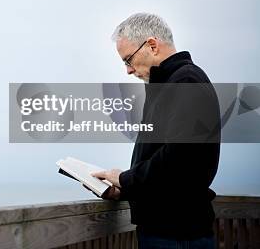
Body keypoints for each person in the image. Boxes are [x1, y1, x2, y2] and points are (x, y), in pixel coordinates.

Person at [91, 13, 220, 249]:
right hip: (169, 232)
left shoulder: (186, 82)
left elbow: (178, 160)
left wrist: (123, 178)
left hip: (177, 235)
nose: (128, 70)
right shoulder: (167, 84)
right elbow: (168, 172)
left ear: (152, 45)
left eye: (128, 60)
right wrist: (126, 189)